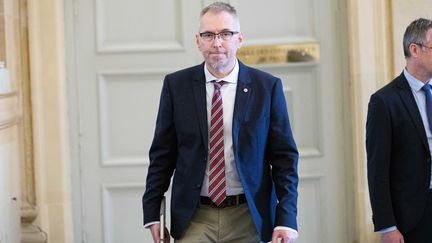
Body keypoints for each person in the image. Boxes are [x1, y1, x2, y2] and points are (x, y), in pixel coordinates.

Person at [142, 2, 299, 243]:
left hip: (249, 216)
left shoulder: (267, 88)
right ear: (198, 41)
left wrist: (286, 219)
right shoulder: (177, 87)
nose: (217, 43)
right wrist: (153, 212)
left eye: (226, 34)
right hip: (194, 217)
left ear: (239, 39)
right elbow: (162, 154)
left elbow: (284, 159)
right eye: (208, 35)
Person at [366, 18, 432, 243]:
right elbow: (378, 171)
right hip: (413, 218)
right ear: (415, 49)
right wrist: (387, 227)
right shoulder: (385, 101)